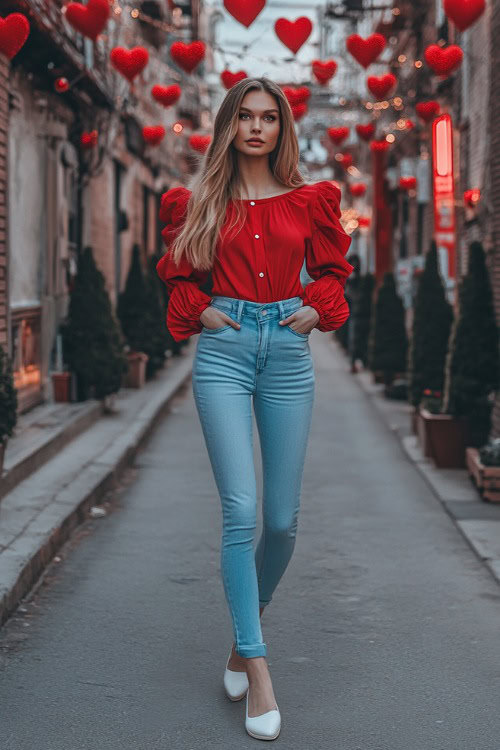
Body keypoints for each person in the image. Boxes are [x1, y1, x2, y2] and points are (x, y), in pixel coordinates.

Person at [156, 77, 353, 741]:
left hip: (289, 355)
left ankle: (243, 635)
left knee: (283, 520)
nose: (259, 128)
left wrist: (309, 313)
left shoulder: (311, 200)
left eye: (271, 117)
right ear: (230, 126)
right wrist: (206, 312)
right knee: (240, 511)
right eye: (247, 116)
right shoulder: (200, 198)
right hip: (226, 352)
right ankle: (259, 668)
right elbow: (180, 274)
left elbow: (331, 274)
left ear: (283, 129)